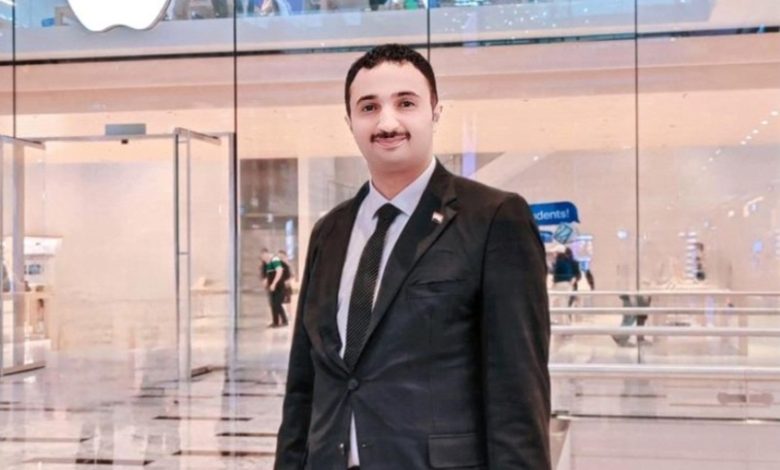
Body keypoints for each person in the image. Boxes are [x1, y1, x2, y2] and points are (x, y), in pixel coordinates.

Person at [275, 44, 550, 470]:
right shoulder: (329, 232)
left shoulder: (494, 218)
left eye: (405, 103)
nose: (387, 123)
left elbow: (518, 388)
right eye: (369, 107)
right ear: (350, 121)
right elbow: (303, 385)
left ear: (435, 112)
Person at [262, 249, 289, 327]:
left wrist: (274, 283)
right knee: (273, 305)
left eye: (264, 256)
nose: (263, 258)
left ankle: (284, 321)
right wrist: (267, 283)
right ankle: (275, 322)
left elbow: (279, 272)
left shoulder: (275, 260)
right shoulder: (269, 263)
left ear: (267, 254)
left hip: (279, 287)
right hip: (272, 288)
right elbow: (270, 275)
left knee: (277, 304)